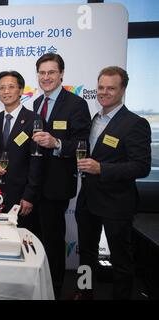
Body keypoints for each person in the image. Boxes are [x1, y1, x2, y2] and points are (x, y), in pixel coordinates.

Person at [74, 67, 151, 300]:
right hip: (88, 199)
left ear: (123, 90)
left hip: (117, 203)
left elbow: (141, 166)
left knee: (120, 260)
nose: (104, 92)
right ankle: (84, 291)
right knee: (85, 254)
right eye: (101, 87)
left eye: (111, 88)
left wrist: (102, 168)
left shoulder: (135, 123)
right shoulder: (95, 119)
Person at [32, 53, 92, 299]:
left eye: (51, 73)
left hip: (56, 185)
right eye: (42, 73)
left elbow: (83, 144)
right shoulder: (36, 103)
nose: (46, 77)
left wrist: (56, 142)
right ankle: (37, 283)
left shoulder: (76, 104)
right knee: (34, 238)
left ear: (61, 74)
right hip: (34, 183)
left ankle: (54, 288)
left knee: (53, 240)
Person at [0, 71, 43, 235]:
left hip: (21, 196)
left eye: (11, 87)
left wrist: (29, 195)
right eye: (2, 88)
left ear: (20, 90)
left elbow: (37, 162)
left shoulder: (34, 120)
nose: (6, 91)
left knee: (20, 240)